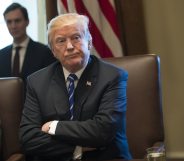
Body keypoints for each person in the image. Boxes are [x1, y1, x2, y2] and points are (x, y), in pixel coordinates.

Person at [19, 13, 132, 161]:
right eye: (61, 41)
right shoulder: (37, 81)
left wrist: (54, 126)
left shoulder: (113, 76)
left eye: (76, 37)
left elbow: (103, 131)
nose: (70, 46)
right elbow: (27, 138)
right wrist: (78, 147)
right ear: (53, 51)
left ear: (89, 42)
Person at [0, 3, 56, 90]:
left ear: (27, 21)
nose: (13, 26)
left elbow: (51, 84)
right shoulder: (1, 55)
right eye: (9, 22)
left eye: (17, 21)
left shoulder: (44, 52)